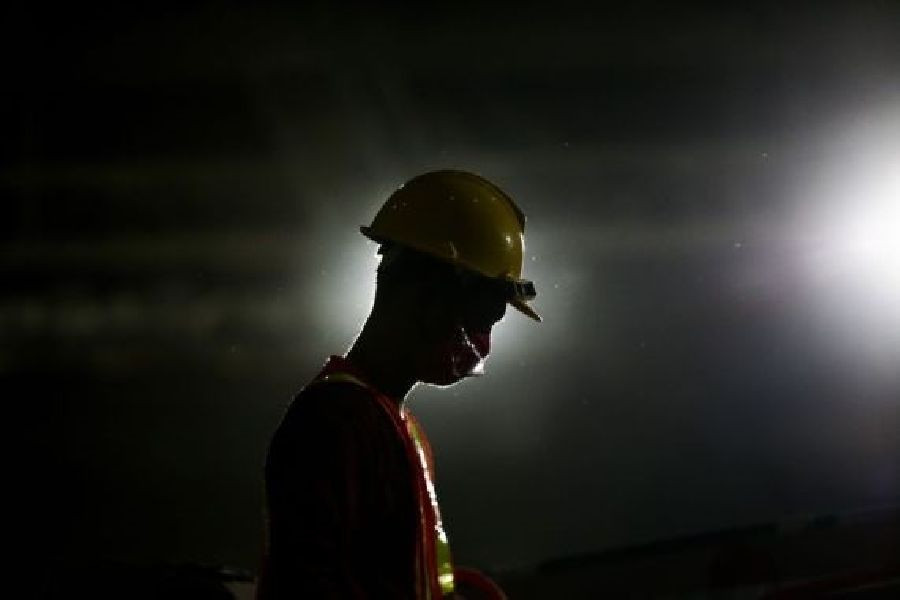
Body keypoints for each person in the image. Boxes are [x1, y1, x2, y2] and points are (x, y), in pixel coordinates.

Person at [257, 170, 540, 599]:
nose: (483, 342)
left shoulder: (394, 426)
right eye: (483, 314)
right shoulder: (334, 421)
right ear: (424, 294)